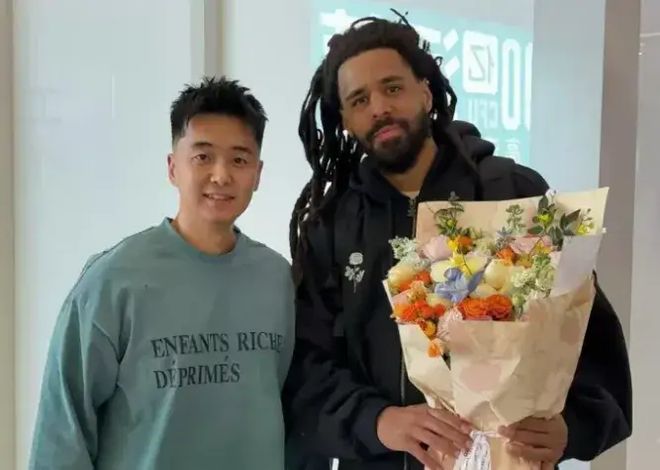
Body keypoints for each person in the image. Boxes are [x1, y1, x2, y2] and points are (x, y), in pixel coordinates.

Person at [284, 15, 632, 470]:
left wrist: (573, 426)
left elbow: (584, 330)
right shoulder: (331, 224)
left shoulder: (511, 192)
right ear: (345, 120)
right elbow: (307, 364)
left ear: (425, 92)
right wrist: (377, 421)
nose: (379, 108)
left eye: (392, 88)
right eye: (359, 100)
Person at [29, 77, 295, 469]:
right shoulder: (113, 281)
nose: (221, 175)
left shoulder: (278, 280)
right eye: (202, 157)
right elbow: (62, 433)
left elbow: (295, 414)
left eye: (239, 160)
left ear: (257, 174)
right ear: (173, 168)